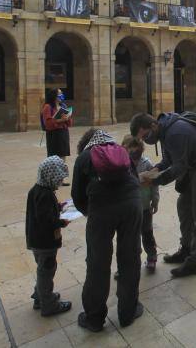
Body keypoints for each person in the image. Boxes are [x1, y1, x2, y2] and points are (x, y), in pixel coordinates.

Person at [130, 112, 196, 277]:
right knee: (184, 207)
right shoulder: (164, 130)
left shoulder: (175, 132)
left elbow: (178, 167)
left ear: (153, 126)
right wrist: (155, 170)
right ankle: (186, 249)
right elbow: (169, 160)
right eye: (142, 139)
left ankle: (195, 262)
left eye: (145, 136)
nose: (145, 140)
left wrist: (153, 181)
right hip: (193, 166)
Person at [72, 129, 143, 332]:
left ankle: (94, 318)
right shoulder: (120, 151)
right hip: (132, 205)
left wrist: (91, 212)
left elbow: (77, 196)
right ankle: (128, 313)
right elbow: (135, 179)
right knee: (130, 258)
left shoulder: (85, 157)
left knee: (97, 262)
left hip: (101, 210)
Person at [26, 156, 72, 317]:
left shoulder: (37, 190)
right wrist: (61, 222)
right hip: (45, 243)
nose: (60, 182)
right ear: (50, 176)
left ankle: (40, 296)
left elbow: (41, 211)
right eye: (59, 179)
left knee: (42, 269)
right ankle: (48, 304)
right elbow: (46, 220)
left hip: (35, 241)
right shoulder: (45, 194)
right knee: (46, 271)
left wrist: (59, 206)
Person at [122, 135, 160, 272]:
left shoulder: (147, 163)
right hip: (129, 208)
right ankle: (131, 262)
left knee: (147, 233)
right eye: (129, 149)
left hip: (144, 206)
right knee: (131, 237)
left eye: (135, 148)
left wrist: (155, 201)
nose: (133, 152)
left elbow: (154, 184)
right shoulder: (122, 164)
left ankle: (152, 257)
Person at [42, 88, 72, 185]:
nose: (61, 96)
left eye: (62, 94)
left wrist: (67, 118)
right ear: (54, 96)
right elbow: (48, 123)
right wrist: (60, 120)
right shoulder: (48, 107)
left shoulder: (63, 106)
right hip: (53, 134)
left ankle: (61, 179)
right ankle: (52, 180)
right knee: (53, 157)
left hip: (63, 133)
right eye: (59, 94)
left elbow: (69, 123)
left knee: (62, 156)